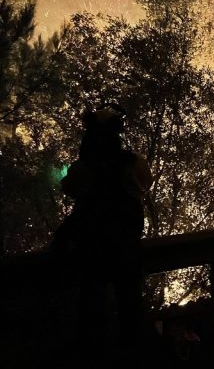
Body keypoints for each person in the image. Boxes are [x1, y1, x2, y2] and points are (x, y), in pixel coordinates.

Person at [54, 103, 153, 360]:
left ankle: (94, 352)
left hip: (94, 247)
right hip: (126, 246)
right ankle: (133, 351)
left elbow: (69, 188)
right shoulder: (133, 164)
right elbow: (146, 183)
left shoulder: (83, 168)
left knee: (92, 302)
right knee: (129, 301)